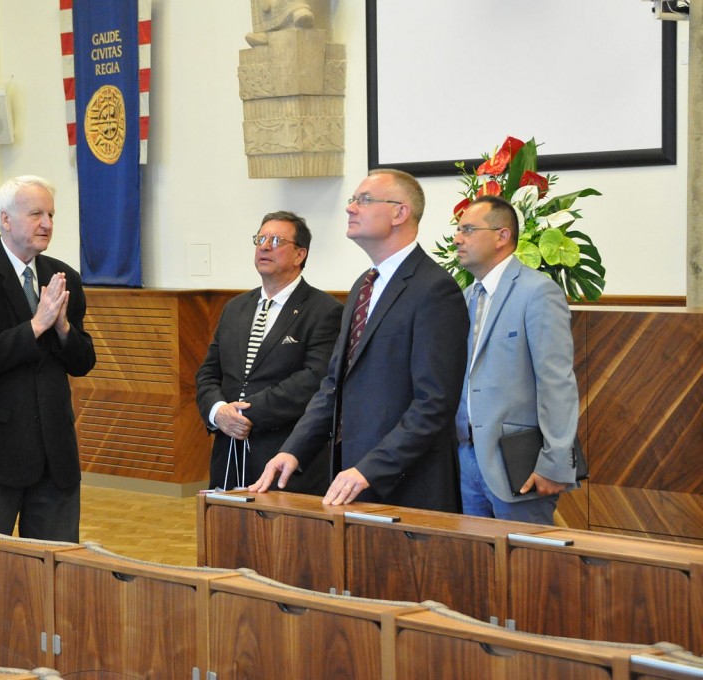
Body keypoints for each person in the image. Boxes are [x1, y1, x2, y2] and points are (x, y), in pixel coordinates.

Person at [250, 169, 469, 510]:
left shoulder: (434, 289)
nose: (350, 207)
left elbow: (434, 404)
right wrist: (293, 450)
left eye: (364, 200)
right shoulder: (363, 285)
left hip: (405, 486)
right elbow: (334, 385)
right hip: (351, 476)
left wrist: (370, 469)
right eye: (353, 199)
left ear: (400, 213)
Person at [0, 175, 96, 542]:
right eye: (35, 214)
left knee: (56, 566)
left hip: (55, 456)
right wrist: (36, 325)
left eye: (51, 214)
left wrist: (63, 329)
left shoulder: (64, 278)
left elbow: (83, 362)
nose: (46, 223)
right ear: (5, 220)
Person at [452, 195, 579, 524]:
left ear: (502, 236)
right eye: (458, 229)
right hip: (465, 459)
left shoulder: (537, 292)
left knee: (526, 557)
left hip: (518, 463)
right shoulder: (465, 297)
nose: (457, 238)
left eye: (468, 230)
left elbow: (556, 383)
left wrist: (555, 462)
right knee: (474, 556)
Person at [196, 211, 342, 492]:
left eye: (276, 241)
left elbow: (314, 380)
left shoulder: (325, 310)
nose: (264, 247)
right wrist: (218, 412)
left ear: (300, 254)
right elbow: (208, 372)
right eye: (260, 239)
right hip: (229, 452)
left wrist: (247, 413)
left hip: (284, 455)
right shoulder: (235, 308)